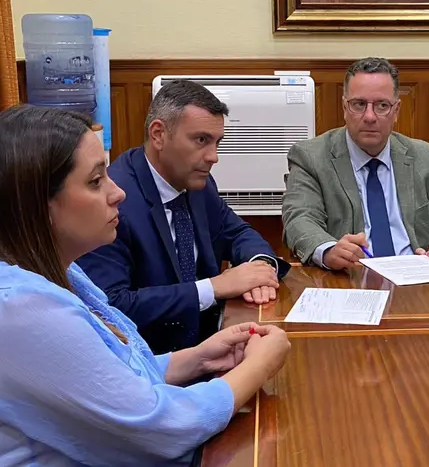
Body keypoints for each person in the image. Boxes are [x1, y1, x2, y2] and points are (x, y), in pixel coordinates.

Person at [0, 105, 291, 467]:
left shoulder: (45, 273)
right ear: (37, 205)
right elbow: (158, 428)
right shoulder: (14, 310)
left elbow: (100, 376)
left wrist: (194, 359)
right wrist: (255, 370)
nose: (118, 193)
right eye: (95, 181)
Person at [78, 80, 290, 353]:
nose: (214, 157)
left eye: (217, 142)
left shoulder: (196, 183)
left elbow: (236, 232)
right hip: (151, 362)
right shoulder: (114, 201)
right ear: (158, 134)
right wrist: (213, 288)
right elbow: (112, 307)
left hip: (213, 343)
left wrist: (259, 268)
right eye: (201, 140)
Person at [282, 57, 429, 268]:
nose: (369, 116)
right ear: (344, 108)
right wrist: (328, 250)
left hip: (415, 280)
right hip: (349, 277)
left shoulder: (422, 155)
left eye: (382, 105)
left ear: (396, 111)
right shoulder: (311, 156)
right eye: (359, 104)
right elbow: (299, 220)